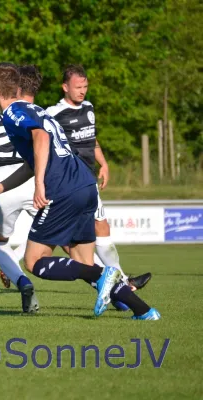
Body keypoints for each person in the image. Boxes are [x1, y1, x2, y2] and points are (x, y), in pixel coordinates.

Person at [0, 63, 160, 320]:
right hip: (84, 183)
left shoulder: (13, 112)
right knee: (84, 261)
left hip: (62, 188)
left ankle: (105, 275)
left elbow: (42, 139)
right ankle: (144, 311)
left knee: (34, 262)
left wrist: (40, 185)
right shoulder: (33, 108)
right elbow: (31, 161)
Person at [46, 65, 152, 303]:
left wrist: (103, 164)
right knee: (68, 245)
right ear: (65, 87)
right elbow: (41, 144)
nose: (82, 91)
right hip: (67, 184)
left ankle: (121, 287)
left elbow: (91, 138)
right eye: (78, 87)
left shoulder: (89, 108)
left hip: (88, 181)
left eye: (85, 87)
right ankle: (121, 288)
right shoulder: (52, 113)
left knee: (100, 230)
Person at [0, 65, 41, 313]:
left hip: (0, 182)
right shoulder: (35, 113)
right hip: (32, 176)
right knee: (72, 241)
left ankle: (22, 281)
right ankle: (116, 289)